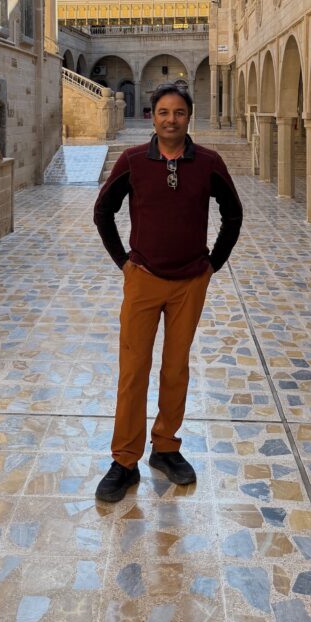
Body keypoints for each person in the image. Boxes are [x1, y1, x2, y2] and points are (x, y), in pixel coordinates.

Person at [93, 80, 243, 502]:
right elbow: (103, 209)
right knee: (134, 368)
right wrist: (123, 261)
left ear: (188, 117)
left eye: (178, 112)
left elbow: (233, 214)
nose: (171, 119)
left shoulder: (209, 162)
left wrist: (213, 263)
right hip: (143, 279)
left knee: (176, 368)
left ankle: (165, 447)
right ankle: (124, 460)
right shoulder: (133, 160)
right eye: (163, 112)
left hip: (190, 282)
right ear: (152, 117)